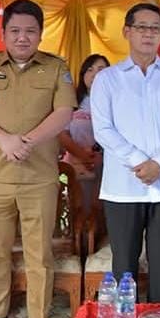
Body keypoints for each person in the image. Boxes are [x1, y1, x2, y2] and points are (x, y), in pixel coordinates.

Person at [0, 0, 76, 318]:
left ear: (41, 34)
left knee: (39, 252)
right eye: (15, 31)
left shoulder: (56, 68)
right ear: (4, 34)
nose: (22, 37)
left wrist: (27, 141)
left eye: (30, 31)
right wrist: (4, 140)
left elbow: (64, 112)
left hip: (40, 179)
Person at [91, 4, 160, 303]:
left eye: (155, 28)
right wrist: (139, 162)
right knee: (124, 265)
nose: (148, 34)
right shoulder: (108, 79)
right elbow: (104, 130)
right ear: (127, 31)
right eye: (141, 27)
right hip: (123, 188)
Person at [60, 54, 109, 215]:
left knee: (103, 211)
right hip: (76, 163)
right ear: (83, 75)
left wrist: (97, 153)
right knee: (80, 210)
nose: (95, 74)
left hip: (107, 164)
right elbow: (62, 133)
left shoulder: (117, 101)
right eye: (90, 70)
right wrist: (82, 154)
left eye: (101, 69)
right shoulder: (72, 100)